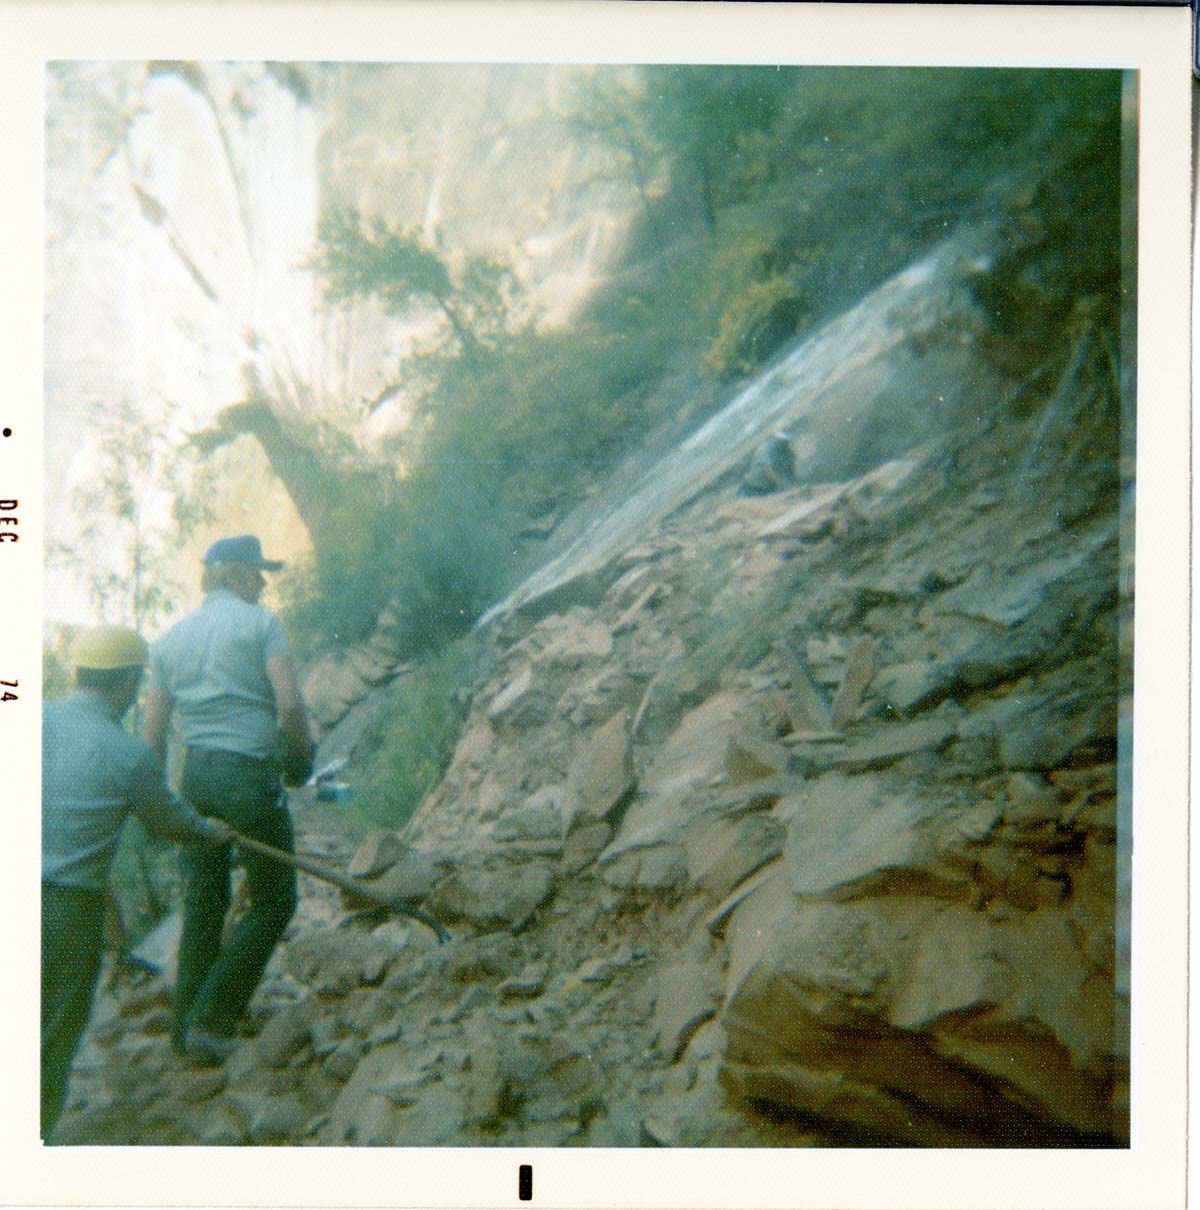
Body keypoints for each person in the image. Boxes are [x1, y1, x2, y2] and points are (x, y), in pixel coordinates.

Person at [42, 624, 231, 1141]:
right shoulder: (129, 755)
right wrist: (210, 831)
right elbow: (170, 823)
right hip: (67, 911)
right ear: (128, 684)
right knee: (50, 1034)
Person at [143, 534, 314, 1065]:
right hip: (247, 774)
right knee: (274, 899)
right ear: (233, 574)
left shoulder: (169, 641)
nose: (263, 583)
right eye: (257, 572)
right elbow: (288, 704)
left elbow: (151, 736)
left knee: (205, 902)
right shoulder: (262, 625)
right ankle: (214, 1018)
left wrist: (157, 808)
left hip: (195, 779)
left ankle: (184, 1028)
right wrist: (300, 759)